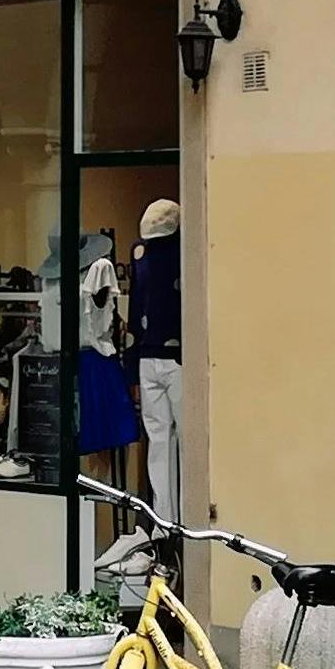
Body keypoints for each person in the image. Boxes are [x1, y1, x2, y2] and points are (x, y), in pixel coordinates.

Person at [130, 197, 183, 518]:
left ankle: (171, 517)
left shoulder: (143, 254)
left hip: (168, 354)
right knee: (162, 439)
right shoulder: (142, 253)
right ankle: (166, 517)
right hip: (157, 354)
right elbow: (137, 308)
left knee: (169, 439)